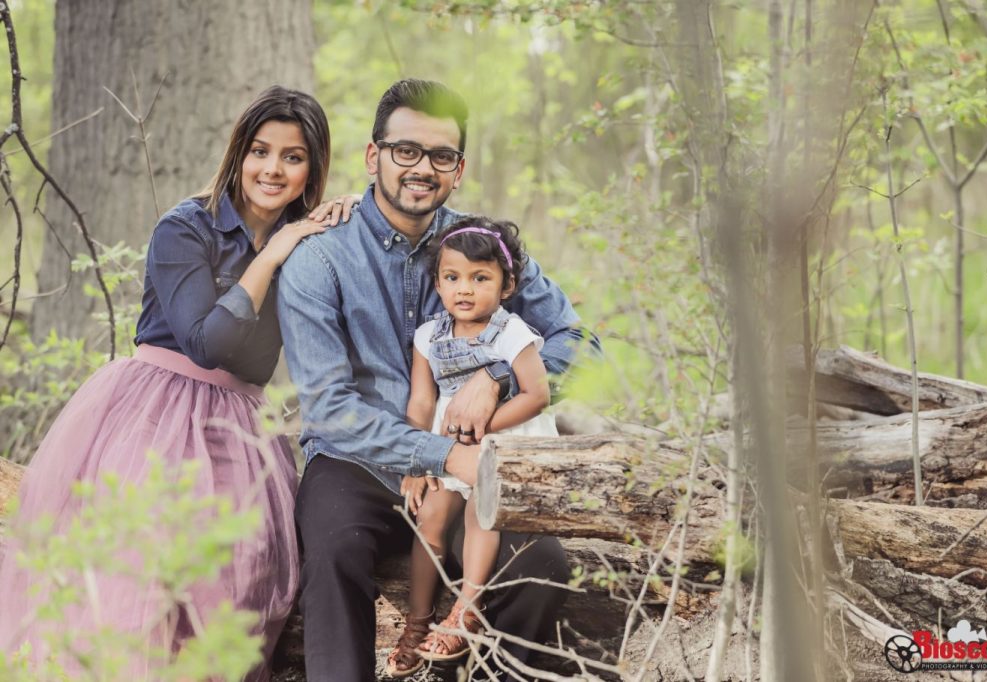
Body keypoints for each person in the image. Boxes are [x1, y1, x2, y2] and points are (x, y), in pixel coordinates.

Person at [0, 85, 335, 681]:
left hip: (242, 425)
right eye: (260, 151)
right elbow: (208, 344)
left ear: (312, 169)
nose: (272, 169)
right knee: (138, 575)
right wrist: (270, 257)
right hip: (156, 413)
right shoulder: (187, 227)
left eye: (293, 156)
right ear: (239, 152)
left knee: (241, 573)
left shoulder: (309, 244)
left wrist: (346, 216)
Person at [277, 78, 594, 681]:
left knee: (542, 565)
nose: (422, 168)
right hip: (359, 460)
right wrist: (439, 453)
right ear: (373, 157)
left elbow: (580, 343)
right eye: (406, 150)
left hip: (475, 462)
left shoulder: (483, 248)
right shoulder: (319, 257)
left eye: (441, 155)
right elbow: (329, 407)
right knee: (334, 549)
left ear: (459, 169)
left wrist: (498, 378)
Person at [385, 216, 560, 679]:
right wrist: (416, 459)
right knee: (429, 516)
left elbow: (536, 395)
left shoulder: (513, 333)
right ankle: (417, 620)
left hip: (504, 440)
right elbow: (422, 401)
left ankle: (466, 608)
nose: (465, 289)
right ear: (438, 283)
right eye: (452, 277)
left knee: (481, 510)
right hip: (446, 445)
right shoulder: (429, 337)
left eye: (480, 278)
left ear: (507, 285)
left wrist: (480, 431)